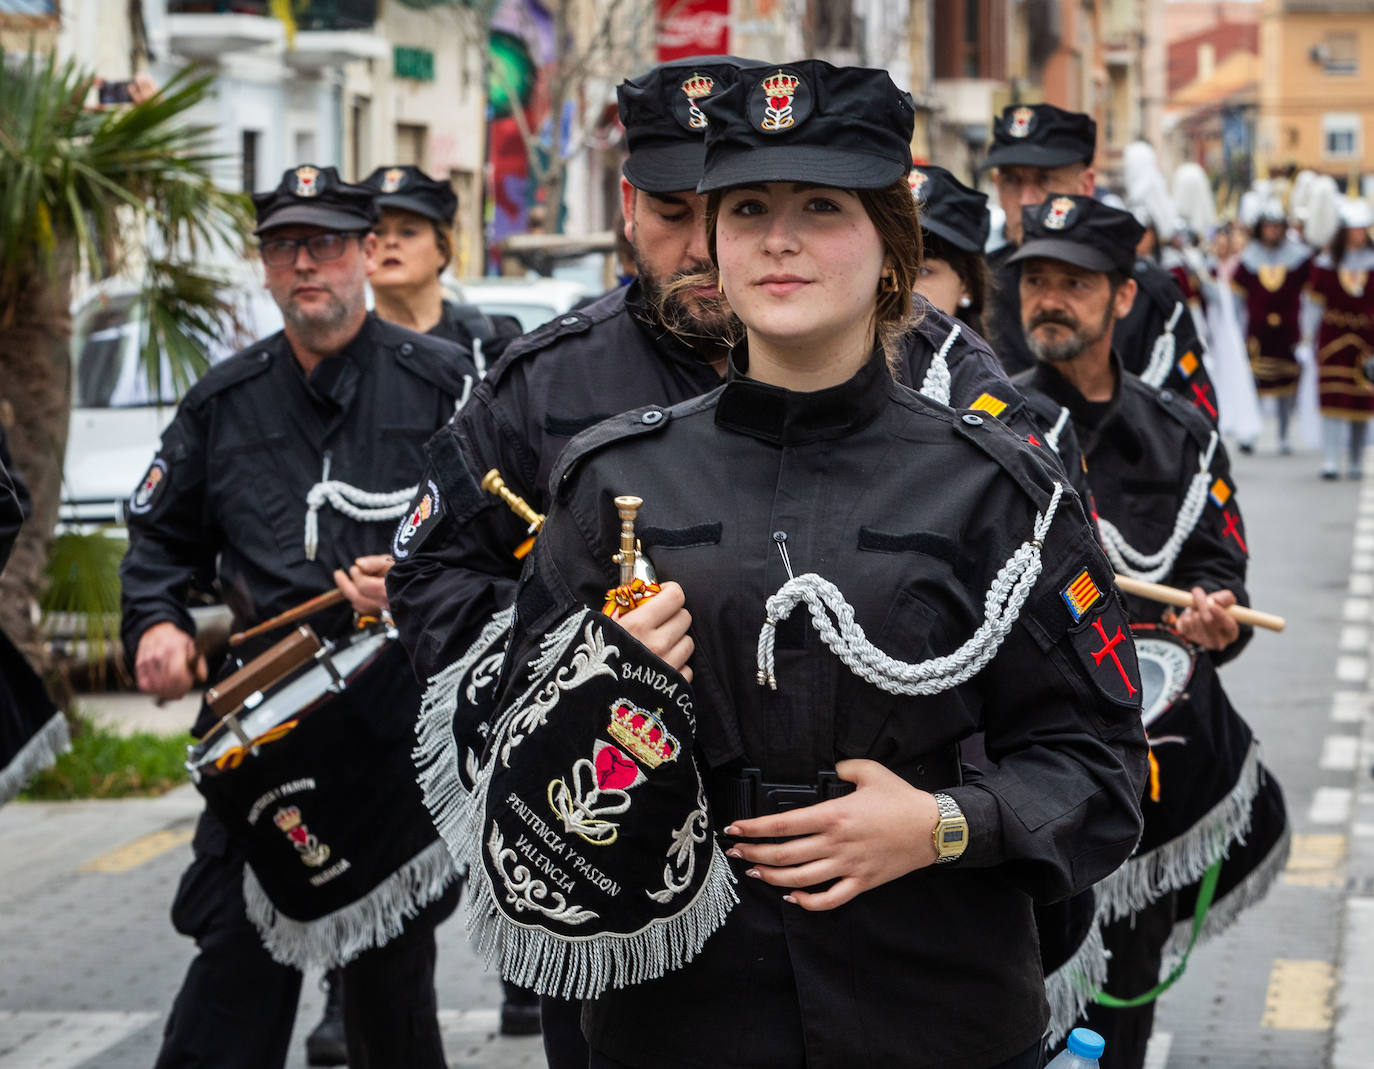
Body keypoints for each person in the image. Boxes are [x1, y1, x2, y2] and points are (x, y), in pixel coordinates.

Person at [448, 59, 1148, 1068]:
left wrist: (943, 823)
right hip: (678, 1016)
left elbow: (1101, 765)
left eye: (821, 205)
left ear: (890, 246)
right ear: (718, 251)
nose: (779, 239)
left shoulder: (1001, 489)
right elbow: (506, 759)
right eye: (747, 209)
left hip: (934, 1005)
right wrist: (594, 684)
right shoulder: (612, 482)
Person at [120, 164, 476, 1069]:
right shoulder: (223, 400)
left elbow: (500, 537)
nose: (304, 263)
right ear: (266, 267)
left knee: (391, 979)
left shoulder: (444, 384)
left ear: (363, 254)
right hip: (261, 730)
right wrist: (156, 625)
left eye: (323, 243)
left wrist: (416, 582)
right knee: (235, 960)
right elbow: (158, 542)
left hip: (390, 729)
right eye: (284, 247)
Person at [1010, 195, 1284, 1067]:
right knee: (1021, 995)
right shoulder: (988, 424)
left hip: (1152, 766)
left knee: (1125, 1000)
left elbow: (1224, 572)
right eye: (1037, 280)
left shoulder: (1184, 435)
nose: (1049, 299)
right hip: (1024, 763)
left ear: (1123, 297)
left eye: (1075, 283)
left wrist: (1211, 618)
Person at [358, 162, 540, 1039]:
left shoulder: (488, 344)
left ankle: (523, 963)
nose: (387, 241)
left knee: (492, 779)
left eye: (408, 227)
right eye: (377, 227)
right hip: (367, 611)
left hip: (460, 593)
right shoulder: (344, 355)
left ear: (444, 245)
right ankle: (360, 987)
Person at [982, 104, 1215, 422]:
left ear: (1086, 185)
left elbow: (1191, 425)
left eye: (1045, 179)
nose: (1025, 200)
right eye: (1011, 181)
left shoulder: (1147, 296)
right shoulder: (978, 288)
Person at [360, 164, 516, 358]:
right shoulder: (343, 347)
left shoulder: (490, 340)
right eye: (378, 232)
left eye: (408, 232)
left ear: (442, 249)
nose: (391, 242)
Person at [1231, 197, 1313, 454]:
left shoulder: (1299, 259)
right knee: (1253, 382)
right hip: (1257, 332)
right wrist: (1234, 331)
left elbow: (1310, 298)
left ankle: (1283, 434)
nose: (1272, 231)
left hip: (1288, 331)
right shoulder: (1248, 260)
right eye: (1268, 226)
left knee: (1286, 385)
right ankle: (1250, 432)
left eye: (1276, 226)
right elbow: (1236, 301)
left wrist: (1308, 331)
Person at [1306, 197, 1374, 479]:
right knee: (1334, 399)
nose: (1358, 234)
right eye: (1353, 229)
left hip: (1367, 343)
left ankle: (1357, 460)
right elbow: (1314, 305)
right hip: (1333, 340)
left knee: (1362, 402)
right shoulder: (1325, 265)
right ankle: (1331, 459)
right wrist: (1306, 336)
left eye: (1362, 229)